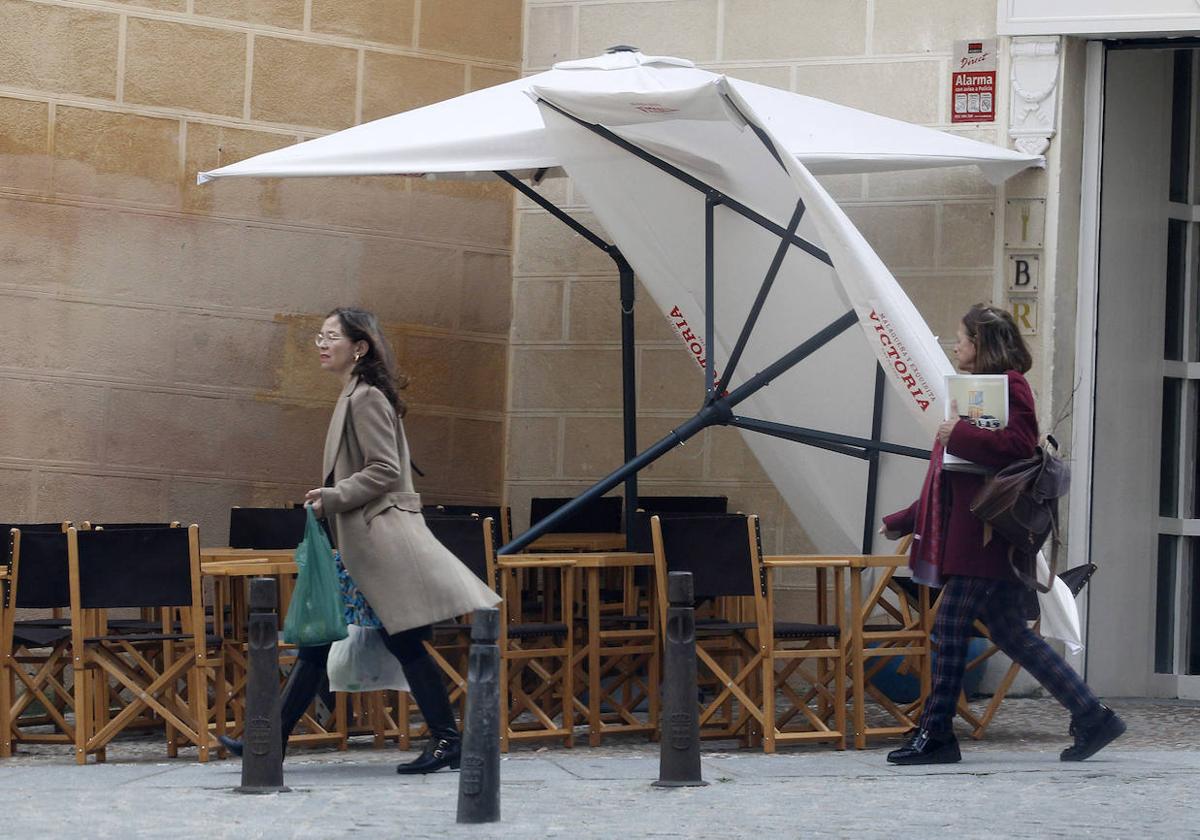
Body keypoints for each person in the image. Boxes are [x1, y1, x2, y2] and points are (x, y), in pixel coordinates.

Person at [220, 306, 501, 774]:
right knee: (333, 644)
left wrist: (334, 497)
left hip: (377, 543)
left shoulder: (366, 397)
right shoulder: (356, 393)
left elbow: (386, 469)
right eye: (320, 337)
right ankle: (269, 742)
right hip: (364, 544)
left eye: (332, 337)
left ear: (360, 347)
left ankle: (448, 739)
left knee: (393, 641)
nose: (323, 345)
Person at [881, 303, 1124, 765]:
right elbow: (955, 478)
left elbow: (1016, 448)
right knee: (1012, 634)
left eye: (963, 339)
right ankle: (1093, 716)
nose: (956, 346)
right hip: (980, 534)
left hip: (988, 536)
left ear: (983, 345)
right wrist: (906, 518)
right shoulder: (976, 391)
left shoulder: (1012, 386)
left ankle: (936, 735)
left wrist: (957, 434)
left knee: (949, 628)